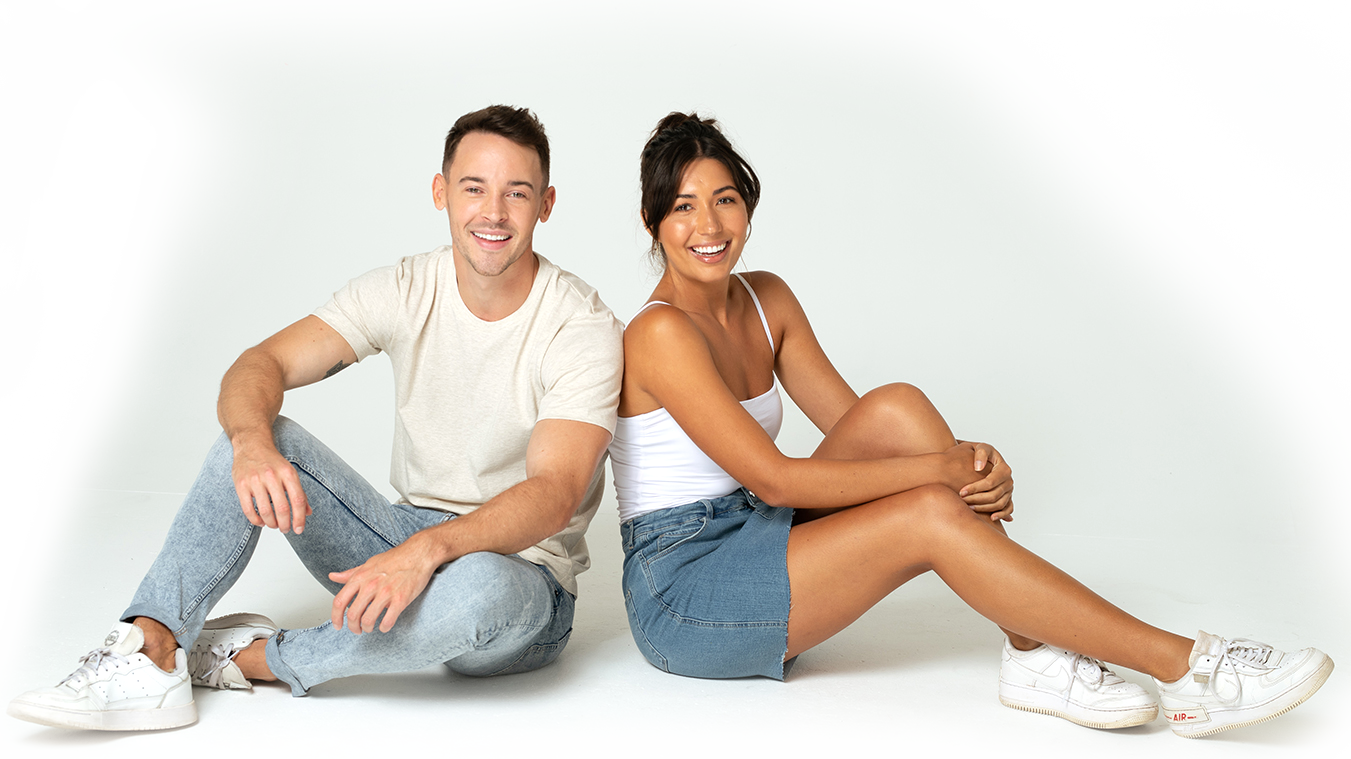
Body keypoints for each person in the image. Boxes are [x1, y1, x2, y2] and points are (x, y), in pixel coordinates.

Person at [609, 112, 1333, 739]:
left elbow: (864, 430)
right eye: (681, 207)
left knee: (899, 406)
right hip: (685, 590)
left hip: (756, 535)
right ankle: (1188, 667)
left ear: (748, 205)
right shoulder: (660, 334)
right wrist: (942, 474)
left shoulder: (766, 299)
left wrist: (960, 464)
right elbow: (775, 478)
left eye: (724, 200)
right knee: (927, 507)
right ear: (651, 223)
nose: (708, 227)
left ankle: (1032, 651)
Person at [8, 105, 623, 731]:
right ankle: (152, 650)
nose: (493, 213)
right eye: (474, 188)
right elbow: (262, 363)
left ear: (545, 204)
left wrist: (429, 551)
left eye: (515, 193)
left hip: (523, 579)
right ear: (441, 193)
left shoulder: (581, 327)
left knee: (481, 589)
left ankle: (250, 658)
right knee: (254, 438)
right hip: (400, 537)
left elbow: (555, 494)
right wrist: (250, 442)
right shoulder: (407, 287)